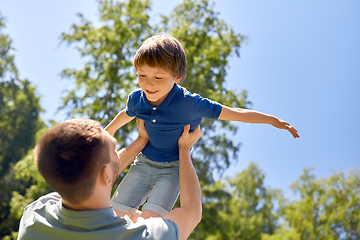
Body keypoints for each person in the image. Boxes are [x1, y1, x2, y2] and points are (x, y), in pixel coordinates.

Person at [105, 33, 299, 220]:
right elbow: (126, 114)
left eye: (158, 78)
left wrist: (272, 121)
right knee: (116, 213)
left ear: (177, 77)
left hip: (172, 169)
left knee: (151, 221)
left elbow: (234, 113)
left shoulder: (190, 104)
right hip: (143, 162)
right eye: (141, 75)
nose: (148, 84)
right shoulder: (137, 99)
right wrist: (109, 130)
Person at [17, 118, 202, 240]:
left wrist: (141, 140)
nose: (118, 151)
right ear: (106, 174)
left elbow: (86, 174)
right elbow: (191, 211)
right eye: (114, 149)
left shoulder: (35, 215)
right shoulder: (143, 236)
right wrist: (184, 150)